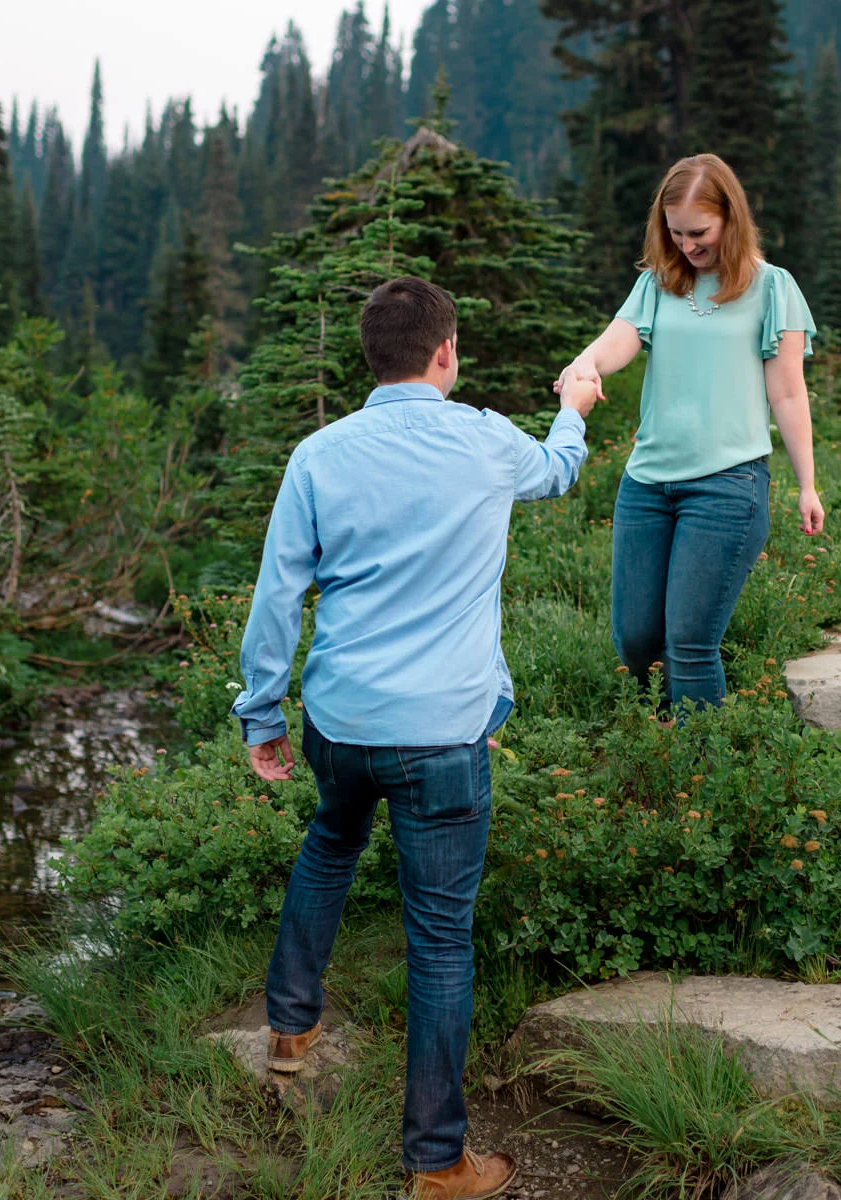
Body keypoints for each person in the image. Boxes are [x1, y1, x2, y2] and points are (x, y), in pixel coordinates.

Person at [233, 276, 597, 1200]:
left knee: (331, 839)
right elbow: (556, 473)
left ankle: (289, 1028)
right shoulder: (481, 438)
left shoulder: (318, 453)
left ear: (373, 357)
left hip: (343, 721)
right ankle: (437, 1164)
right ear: (445, 353)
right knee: (439, 937)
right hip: (443, 734)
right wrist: (574, 408)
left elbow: (278, 596)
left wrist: (262, 716)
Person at [555, 153, 822, 712]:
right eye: (674, 233)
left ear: (731, 217)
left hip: (728, 487)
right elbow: (617, 341)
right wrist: (584, 366)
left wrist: (807, 484)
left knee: (690, 644)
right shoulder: (658, 284)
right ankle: (656, 757)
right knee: (634, 642)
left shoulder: (774, 288)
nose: (687, 245)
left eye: (698, 232)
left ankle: (695, 775)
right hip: (646, 486)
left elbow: (789, 394)